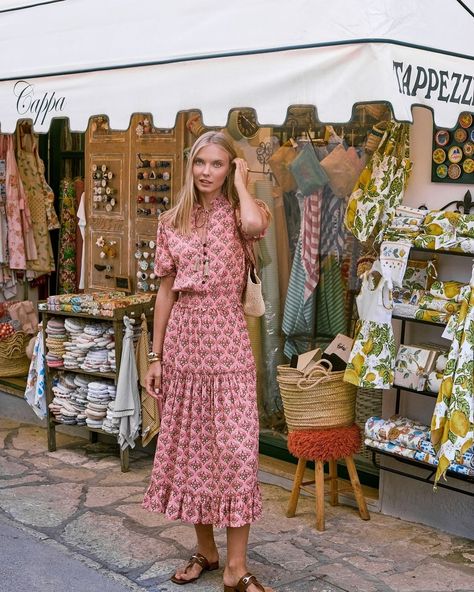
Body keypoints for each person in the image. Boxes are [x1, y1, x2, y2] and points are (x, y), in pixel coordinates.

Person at [143, 131, 272, 592]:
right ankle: (209, 551)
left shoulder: (242, 214)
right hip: (184, 346)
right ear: (189, 165)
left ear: (230, 168)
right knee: (193, 452)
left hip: (230, 344)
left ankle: (238, 568)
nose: (206, 172)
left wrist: (242, 182)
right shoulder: (170, 222)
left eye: (218, 164)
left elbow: (257, 227)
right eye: (200, 162)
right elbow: (163, 294)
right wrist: (156, 356)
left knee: (236, 452)